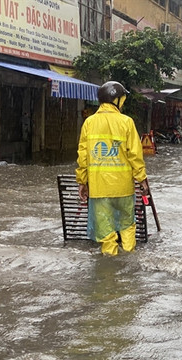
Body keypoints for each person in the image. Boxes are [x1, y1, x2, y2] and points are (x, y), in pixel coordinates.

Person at [76, 81, 149, 256]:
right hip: (123, 188)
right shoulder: (127, 122)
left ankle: (110, 267)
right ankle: (129, 261)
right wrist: (142, 179)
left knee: (106, 231)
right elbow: (135, 156)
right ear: (116, 100)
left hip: (99, 188)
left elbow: (83, 157)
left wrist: (82, 182)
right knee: (127, 225)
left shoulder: (89, 123)